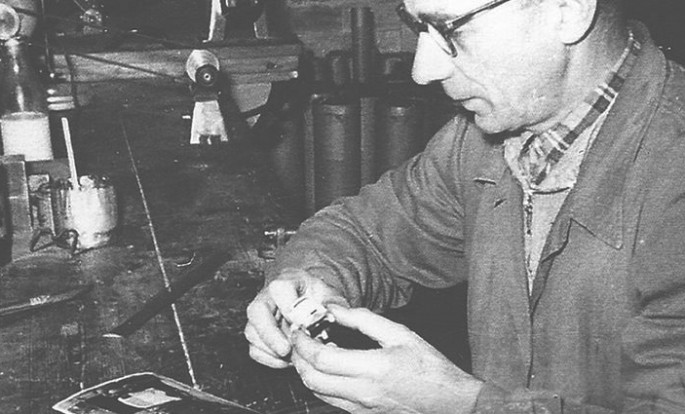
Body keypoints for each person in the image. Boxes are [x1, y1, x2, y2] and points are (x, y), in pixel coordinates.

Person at [244, 0, 685, 411]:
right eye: (417, 26)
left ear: (568, 9)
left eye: (449, 29)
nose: (423, 70)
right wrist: (308, 279)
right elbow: (367, 232)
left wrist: (457, 403)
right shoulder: (487, 139)